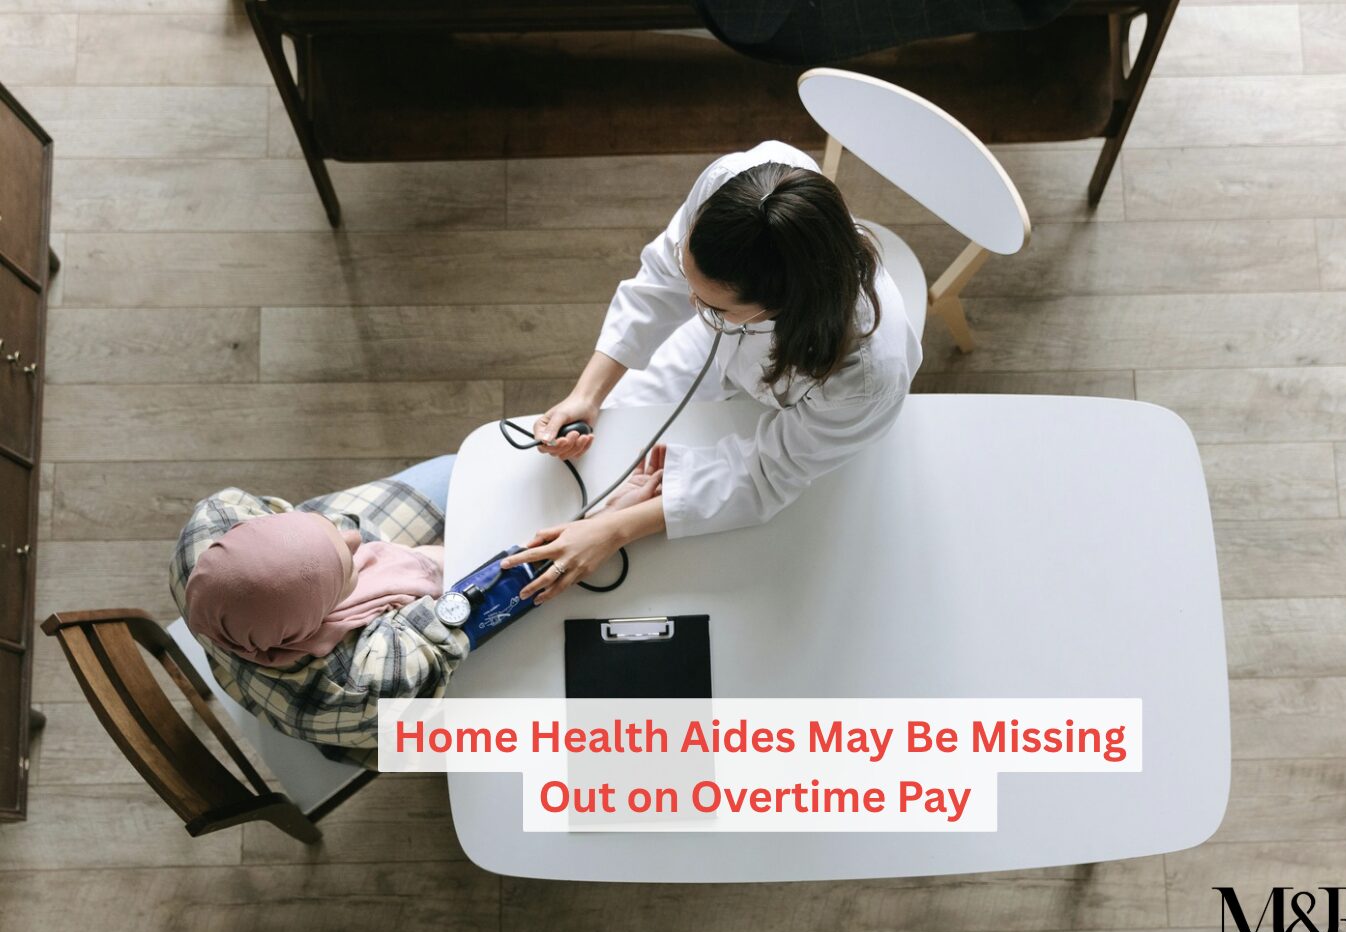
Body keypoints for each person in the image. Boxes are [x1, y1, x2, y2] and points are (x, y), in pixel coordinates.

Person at [504, 139, 922, 606]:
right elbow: (660, 281)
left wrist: (613, 531)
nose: (690, 303)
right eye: (693, 287)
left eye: (712, 305)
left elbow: (768, 473)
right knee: (613, 440)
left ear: (779, 307)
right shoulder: (739, 185)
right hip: (719, 346)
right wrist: (588, 394)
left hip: (806, 419)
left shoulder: (864, 379)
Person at [169, 453, 664, 767]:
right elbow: (468, 609)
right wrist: (603, 522)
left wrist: (319, 554)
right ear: (314, 622)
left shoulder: (211, 526)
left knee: (474, 468)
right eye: (349, 567)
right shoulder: (366, 684)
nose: (356, 538)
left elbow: (330, 534)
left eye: (327, 531)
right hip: (370, 716)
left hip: (272, 654)